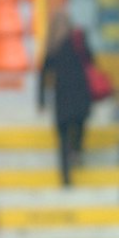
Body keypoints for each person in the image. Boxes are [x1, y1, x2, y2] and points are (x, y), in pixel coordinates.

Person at [38, 11, 95, 186]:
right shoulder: (76, 40)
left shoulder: (53, 45)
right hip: (79, 92)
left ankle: (66, 177)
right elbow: (91, 60)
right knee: (78, 124)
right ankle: (76, 152)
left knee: (63, 136)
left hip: (63, 95)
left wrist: (41, 100)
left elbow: (43, 74)